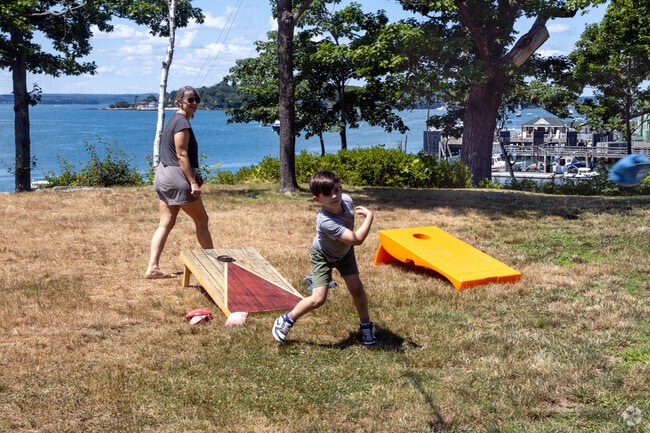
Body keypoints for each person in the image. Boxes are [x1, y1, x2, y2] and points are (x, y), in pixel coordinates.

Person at [272, 170, 377, 346]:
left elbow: (350, 238)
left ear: (341, 188)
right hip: (323, 256)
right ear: (317, 199)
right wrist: (370, 217)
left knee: (357, 288)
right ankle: (286, 320)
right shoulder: (325, 221)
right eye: (327, 194)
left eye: (336, 190)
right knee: (318, 299)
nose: (334, 196)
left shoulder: (348, 201)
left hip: (344, 252)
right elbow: (357, 239)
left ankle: (366, 326)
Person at [145, 86, 214, 279]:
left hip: (163, 175)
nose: (194, 104)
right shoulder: (182, 122)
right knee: (202, 221)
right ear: (179, 102)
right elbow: (181, 154)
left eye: (196, 100)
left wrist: (193, 173)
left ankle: (153, 267)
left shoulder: (173, 120)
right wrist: (192, 181)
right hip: (176, 178)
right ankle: (214, 264)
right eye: (190, 100)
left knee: (165, 223)